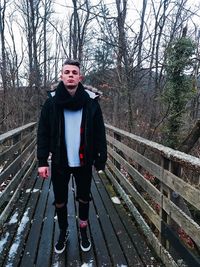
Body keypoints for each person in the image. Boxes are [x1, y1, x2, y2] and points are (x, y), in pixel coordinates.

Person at [37, 59, 107, 254]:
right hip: (60, 161)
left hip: (84, 160)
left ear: (80, 77)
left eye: (74, 72)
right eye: (66, 72)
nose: (70, 75)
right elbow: (42, 132)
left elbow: (100, 132)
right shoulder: (51, 103)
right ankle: (63, 231)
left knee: (84, 198)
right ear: (61, 76)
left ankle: (83, 230)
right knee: (60, 199)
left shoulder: (91, 103)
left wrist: (101, 158)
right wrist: (42, 161)